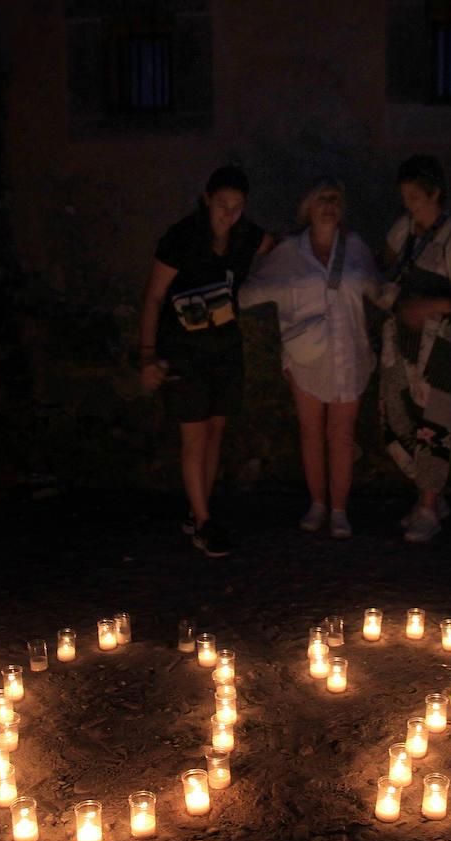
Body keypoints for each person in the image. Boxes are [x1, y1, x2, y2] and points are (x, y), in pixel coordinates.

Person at [139, 166, 275, 557]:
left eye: (236, 208)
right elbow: (153, 297)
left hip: (225, 350)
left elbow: (276, 245)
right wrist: (148, 356)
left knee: (215, 430)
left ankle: (200, 510)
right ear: (207, 199)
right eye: (222, 206)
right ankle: (202, 522)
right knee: (194, 436)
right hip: (185, 353)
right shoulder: (181, 238)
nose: (228, 215)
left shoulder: (245, 236)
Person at [240, 177, 383, 538]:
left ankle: (339, 510)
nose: (329, 205)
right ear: (308, 207)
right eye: (322, 199)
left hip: (348, 351)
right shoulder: (290, 252)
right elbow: (251, 292)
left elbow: (378, 290)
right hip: (306, 356)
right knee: (311, 433)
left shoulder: (355, 247)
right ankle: (317, 503)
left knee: (342, 434)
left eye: (335, 199)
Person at [379, 155, 451, 543]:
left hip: (439, 344)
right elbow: (389, 270)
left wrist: (437, 306)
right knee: (399, 416)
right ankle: (431, 492)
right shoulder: (403, 230)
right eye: (405, 197)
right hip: (402, 341)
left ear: (435, 193)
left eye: (415, 196)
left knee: (435, 423)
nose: (409, 204)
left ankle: (427, 506)